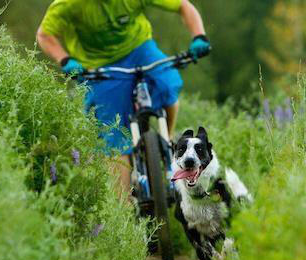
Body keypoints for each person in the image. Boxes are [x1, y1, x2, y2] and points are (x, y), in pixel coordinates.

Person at [37, 0, 210, 198]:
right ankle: (124, 210)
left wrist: (199, 36)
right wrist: (65, 60)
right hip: (99, 65)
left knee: (167, 83)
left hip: (140, 49)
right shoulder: (70, 4)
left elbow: (183, 6)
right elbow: (44, 34)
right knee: (114, 137)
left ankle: (168, 141)